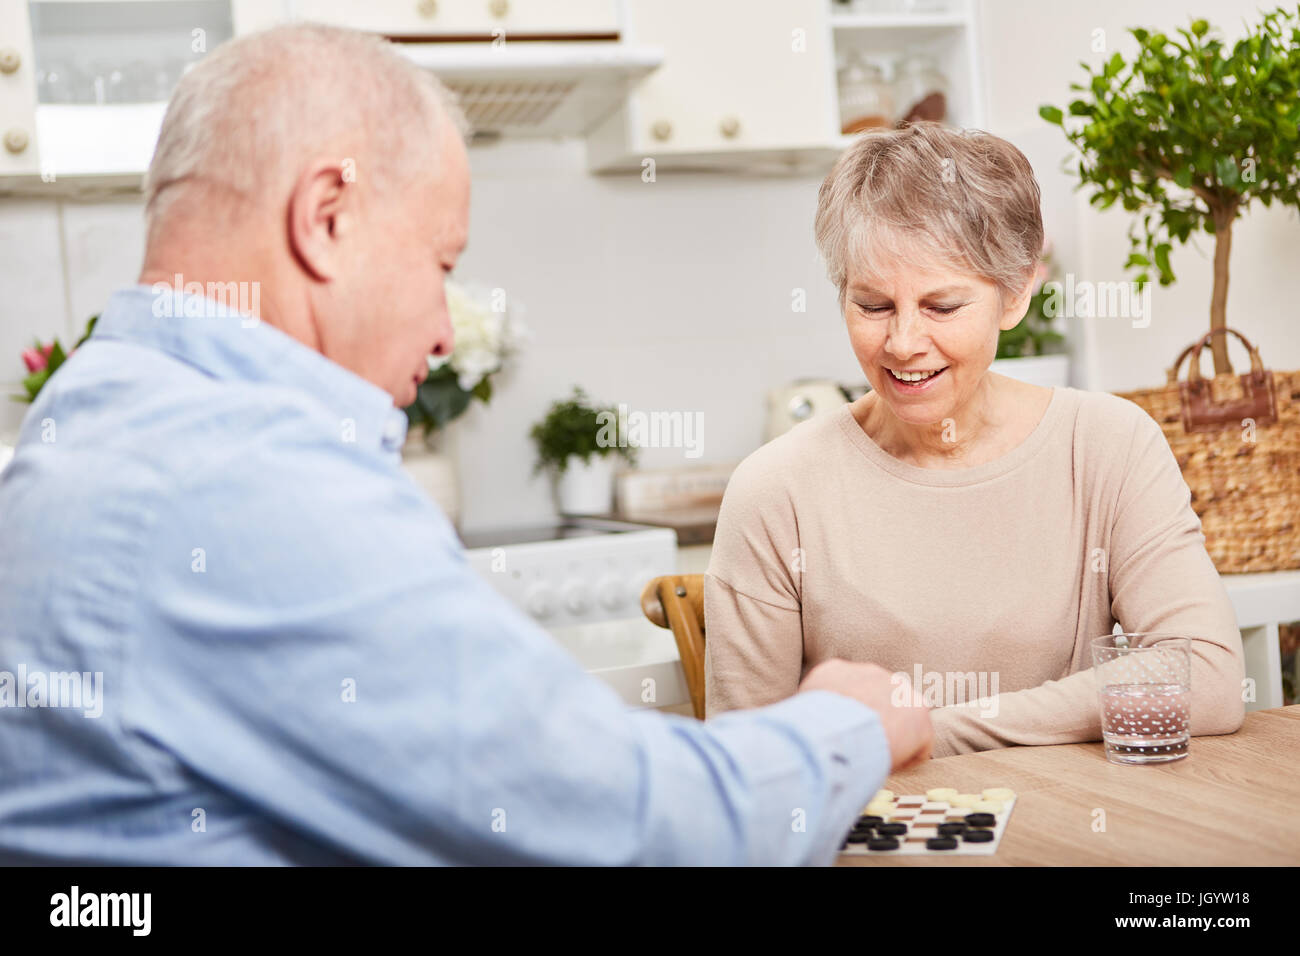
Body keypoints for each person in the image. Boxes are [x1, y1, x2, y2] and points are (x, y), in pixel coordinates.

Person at [0, 24, 931, 866]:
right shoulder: (249, 476)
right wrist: (844, 722)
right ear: (328, 216)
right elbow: (637, 832)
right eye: (441, 264)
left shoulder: (93, 406)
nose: (446, 329)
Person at [704, 122, 1246, 756]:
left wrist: (928, 732)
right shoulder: (777, 490)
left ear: (1015, 295)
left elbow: (1207, 677)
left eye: (942, 307)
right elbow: (746, 769)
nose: (903, 342)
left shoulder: (1107, 445)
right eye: (873, 305)